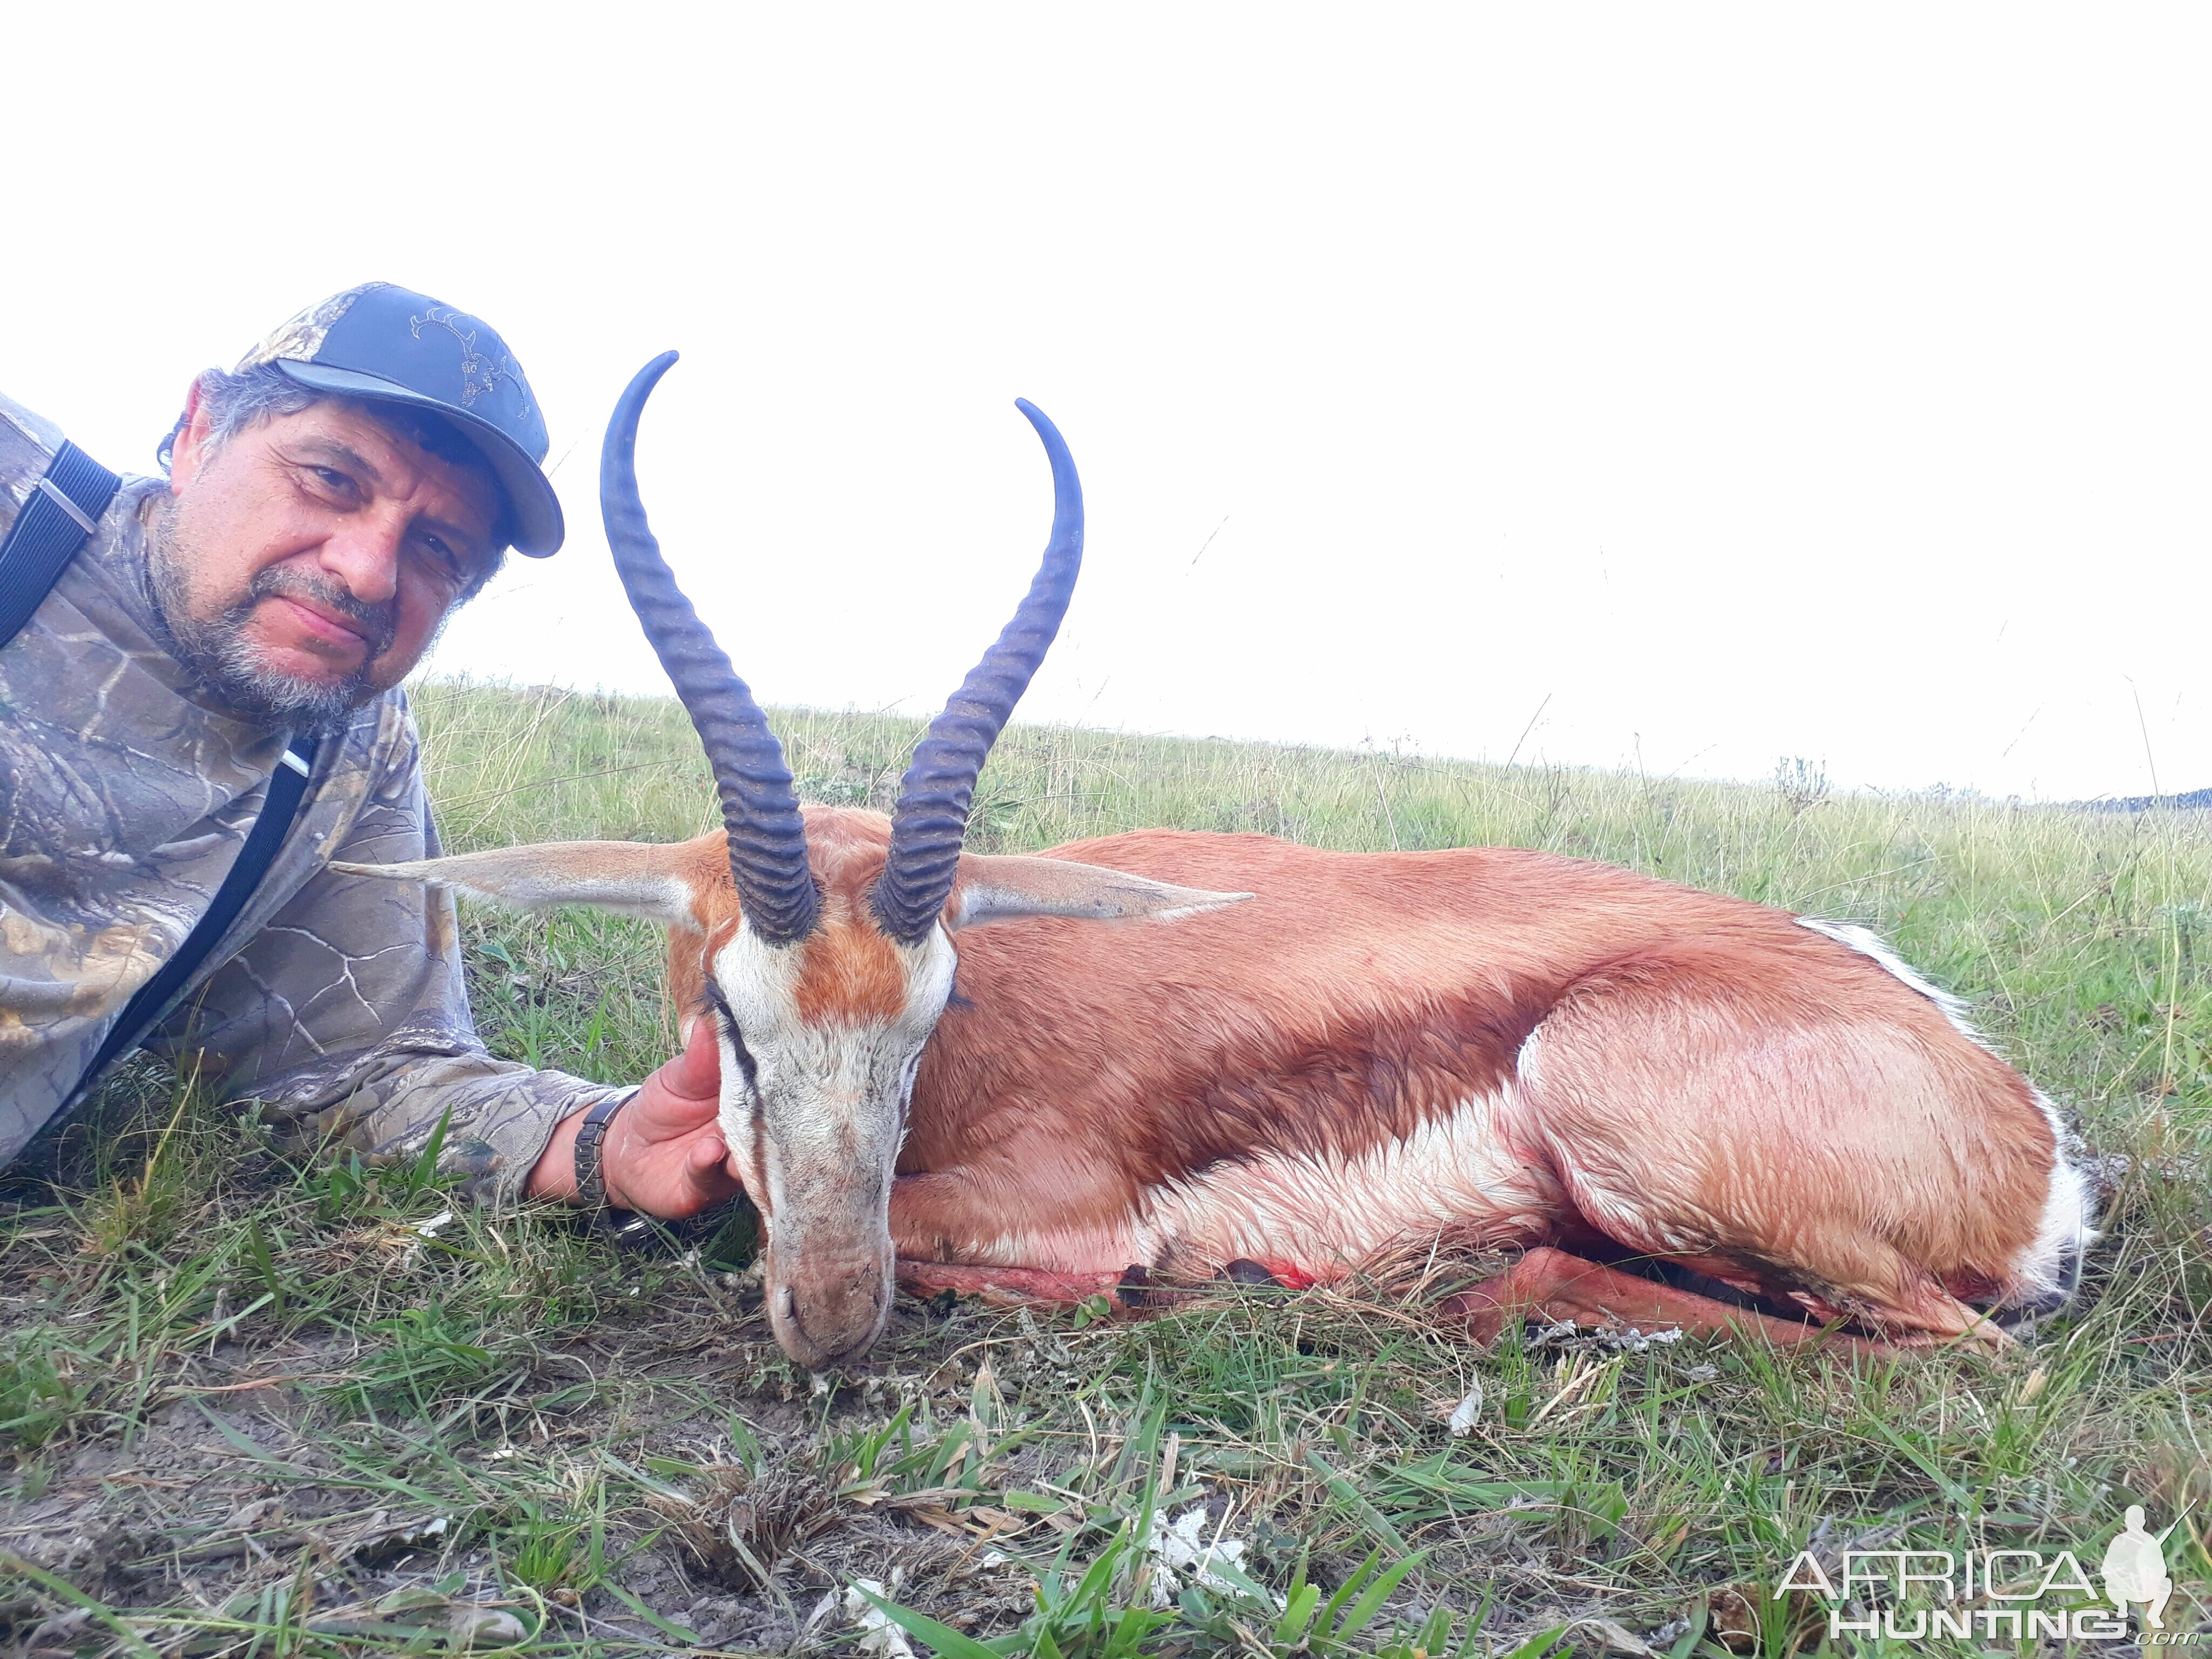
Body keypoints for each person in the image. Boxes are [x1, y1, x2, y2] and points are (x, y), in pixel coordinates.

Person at [0, 282, 730, 1220]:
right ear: (197, 432)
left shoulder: (340, 760)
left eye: (437, 548)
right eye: (331, 479)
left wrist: (607, 1141)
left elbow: (367, 1067)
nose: (367, 569)